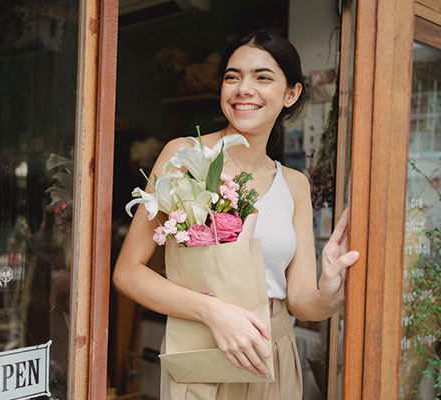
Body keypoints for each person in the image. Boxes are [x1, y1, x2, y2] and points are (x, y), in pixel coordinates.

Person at [112, 31, 360, 399]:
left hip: (271, 354)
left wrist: (328, 293)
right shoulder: (185, 157)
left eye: (263, 77)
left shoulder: (294, 184)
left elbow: (301, 302)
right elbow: (128, 273)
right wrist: (213, 312)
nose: (244, 88)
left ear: (291, 93)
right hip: (201, 350)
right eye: (232, 76)